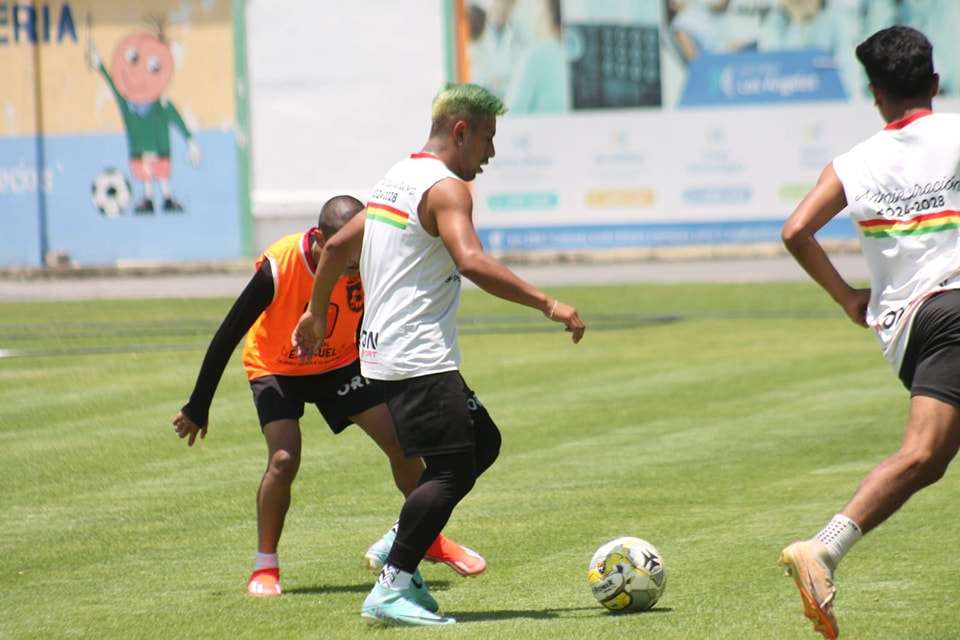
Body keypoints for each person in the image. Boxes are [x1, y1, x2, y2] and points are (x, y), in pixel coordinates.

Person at [293, 83, 585, 626]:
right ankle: (392, 583)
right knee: (452, 469)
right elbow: (470, 261)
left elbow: (334, 248)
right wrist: (549, 303)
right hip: (416, 356)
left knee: (482, 443)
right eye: (488, 139)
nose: (491, 154)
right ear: (461, 132)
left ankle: (403, 538)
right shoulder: (448, 189)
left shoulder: (394, 179)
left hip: (384, 353)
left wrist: (314, 313)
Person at [171, 195, 485, 599]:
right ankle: (265, 564)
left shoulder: (368, 262)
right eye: (350, 250)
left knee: (401, 443)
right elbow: (228, 333)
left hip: (338, 364)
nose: (356, 261)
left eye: (362, 249)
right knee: (284, 459)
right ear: (321, 239)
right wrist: (198, 405)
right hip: (276, 367)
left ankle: (427, 538)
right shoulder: (280, 266)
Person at [779, 26, 960, 640]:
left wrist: (848, 298)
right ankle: (823, 549)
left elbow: (795, 230)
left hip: (910, 329)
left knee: (929, 459)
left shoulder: (856, 162)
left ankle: (823, 549)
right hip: (957, 309)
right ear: (934, 83)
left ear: (875, 94)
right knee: (922, 455)